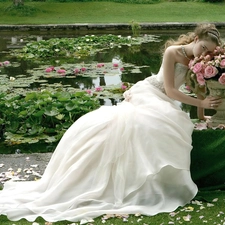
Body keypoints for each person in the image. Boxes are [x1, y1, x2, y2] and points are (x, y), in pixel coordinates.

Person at [0, 23, 222, 223]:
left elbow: (198, 88)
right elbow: (172, 90)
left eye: (209, 51)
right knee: (146, 123)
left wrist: (202, 114)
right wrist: (200, 101)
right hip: (153, 92)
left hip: (169, 101)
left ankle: (159, 182)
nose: (205, 53)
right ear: (195, 39)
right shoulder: (173, 52)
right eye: (203, 47)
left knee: (168, 122)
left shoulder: (199, 62)